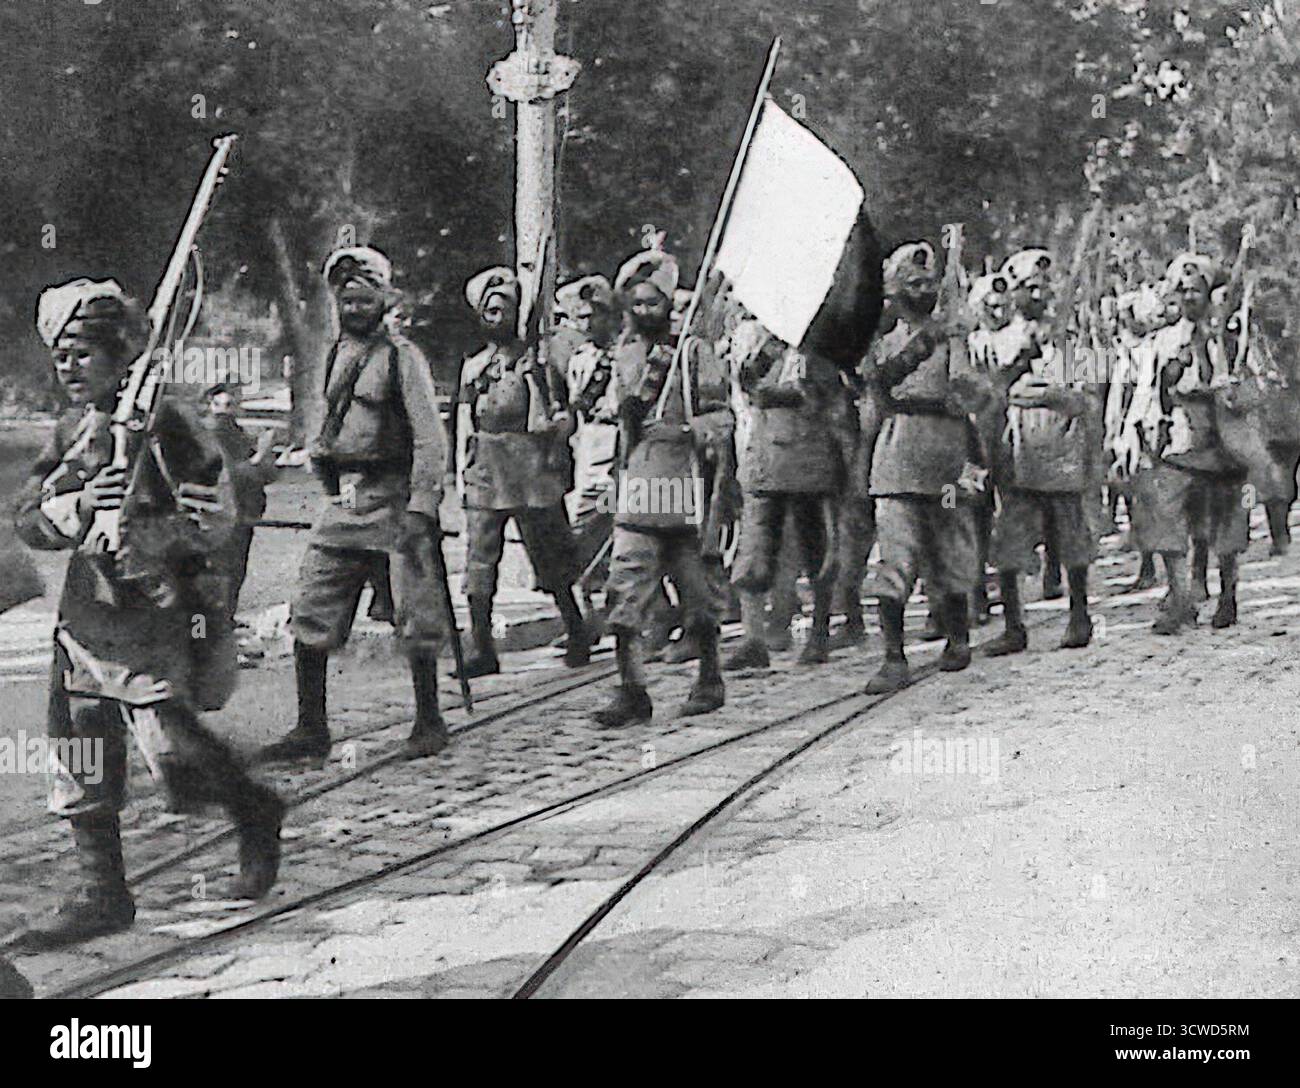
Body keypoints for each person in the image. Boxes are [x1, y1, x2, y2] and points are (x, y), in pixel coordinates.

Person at [15, 278, 283, 948]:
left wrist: (162, 526)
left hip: (155, 606)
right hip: (88, 612)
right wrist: (80, 503)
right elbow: (28, 518)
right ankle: (103, 894)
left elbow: (220, 512)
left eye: (82, 353)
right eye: (61, 355)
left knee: (174, 752)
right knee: (79, 746)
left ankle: (253, 809)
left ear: (116, 353)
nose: (68, 368)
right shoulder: (73, 430)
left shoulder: (167, 419)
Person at [259, 246, 451, 765]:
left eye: (364, 300)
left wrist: (421, 507)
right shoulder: (333, 354)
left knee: (414, 615)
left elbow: (431, 439)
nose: (354, 309)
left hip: (393, 501)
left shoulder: (401, 358)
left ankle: (429, 720)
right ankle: (311, 726)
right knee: (310, 608)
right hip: (346, 502)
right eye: (345, 300)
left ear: (384, 301)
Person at [592, 249, 734, 726]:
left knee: (696, 589)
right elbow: (622, 428)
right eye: (637, 302)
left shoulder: (692, 353)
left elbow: (722, 415)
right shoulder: (625, 355)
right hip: (639, 482)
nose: (644, 311)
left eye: (653, 302)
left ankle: (710, 677)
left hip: (684, 482)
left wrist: (695, 431)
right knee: (625, 587)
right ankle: (632, 689)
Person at [862, 242, 989, 694]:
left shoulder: (956, 339)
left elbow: (976, 391)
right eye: (913, 284)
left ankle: (958, 637)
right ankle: (893, 655)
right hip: (896, 462)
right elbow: (878, 386)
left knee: (952, 546)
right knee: (894, 558)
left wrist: (968, 378)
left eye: (928, 283)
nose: (923, 290)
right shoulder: (881, 344)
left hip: (949, 461)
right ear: (894, 291)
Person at [451, 266, 589, 677]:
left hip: (532, 468)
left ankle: (578, 631)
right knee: (479, 561)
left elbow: (567, 418)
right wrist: (461, 471)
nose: (497, 317)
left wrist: (550, 413)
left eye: (504, 309)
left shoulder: (542, 365)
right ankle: (481, 648)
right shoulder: (474, 368)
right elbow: (464, 422)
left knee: (551, 557)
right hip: (487, 468)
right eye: (489, 311)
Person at [1130, 252, 1250, 632]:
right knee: (1169, 525)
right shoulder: (1163, 340)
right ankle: (1180, 597)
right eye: (1182, 290)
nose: (1189, 297)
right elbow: (1149, 390)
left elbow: (1248, 386)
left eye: (1197, 290)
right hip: (1179, 444)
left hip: (1223, 446)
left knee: (1226, 527)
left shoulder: (1231, 338)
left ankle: (1228, 594)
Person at [983, 248, 1095, 655]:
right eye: (1027, 287)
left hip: (1060, 448)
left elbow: (1084, 397)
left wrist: (1045, 390)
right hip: (1016, 449)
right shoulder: (997, 339)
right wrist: (1017, 369)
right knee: (1010, 542)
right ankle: (1014, 626)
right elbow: (990, 391)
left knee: (1071, 537)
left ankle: (1079, 615)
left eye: (1041, 287)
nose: (1036, 294)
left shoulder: (1070, 338)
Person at [726, 327, 852, 669]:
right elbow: (748, 385)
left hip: (809, 460)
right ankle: (754, 638)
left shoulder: (822, 350)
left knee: (815, 551)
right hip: (766, 460)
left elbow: (824, 397)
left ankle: (820, 631)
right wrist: (766, 358)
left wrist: (788, 390)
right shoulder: (764, 347)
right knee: (753, 552)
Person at [203, 382, 278, 620]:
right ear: (210, 405)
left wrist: (264, 460)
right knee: (220, 575)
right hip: (225, 514)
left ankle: (224, 625)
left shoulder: (233, 431)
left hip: (243, 512)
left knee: (234, 572)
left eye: (231, 405)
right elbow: (228, 474)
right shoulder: (213, 431)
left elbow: (265, 475)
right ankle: (208, 632)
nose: (225, 411)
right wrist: (260, 457)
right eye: (220, 405)